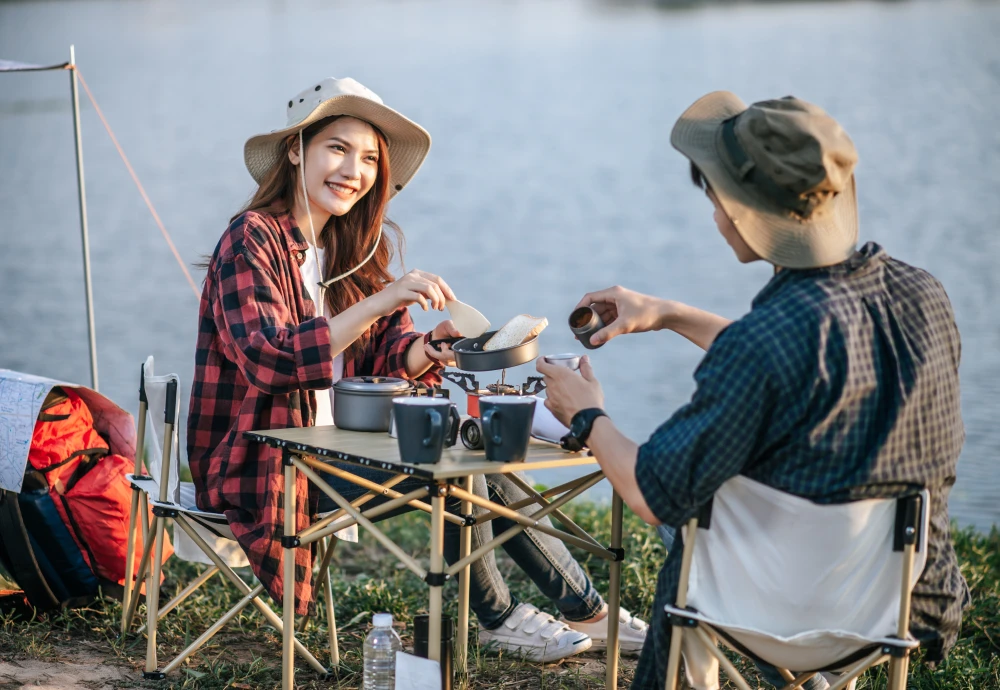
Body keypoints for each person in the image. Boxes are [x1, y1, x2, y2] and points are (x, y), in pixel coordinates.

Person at [187, 76, 647, 662]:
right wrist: (382, 300)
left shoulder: (349, 248)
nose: (354, 169)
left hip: (341, 448)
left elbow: (383, 357)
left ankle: (588, 612)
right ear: (297, 148)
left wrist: (428, 350)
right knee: (457, 470)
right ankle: (504, 618)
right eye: (338, 148)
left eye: (370, 158)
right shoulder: (250, 240)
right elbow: (270, 358)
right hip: (267, 463)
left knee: (476, 452)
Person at [538, 92, 970, 687]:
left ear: (745, 212)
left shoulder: (767, 342)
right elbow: (806, 364)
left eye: (715, 199)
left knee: (685, 519)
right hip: (898, 601)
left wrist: (588, 416)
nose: (714, 215)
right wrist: (666, 313)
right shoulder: (922, 295)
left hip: (779, 611)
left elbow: (650, 492)